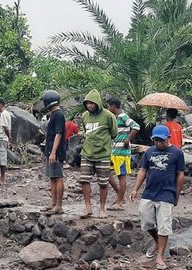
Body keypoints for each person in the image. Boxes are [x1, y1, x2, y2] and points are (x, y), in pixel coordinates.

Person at [130, 125, 185, 270]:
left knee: (164, 226)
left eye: (161, 140)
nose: (158, 143)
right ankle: (156, 242)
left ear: (168, 138)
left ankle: (160, 255)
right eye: (156, 140)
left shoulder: (177, 153)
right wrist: (135, 189)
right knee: (146, 221)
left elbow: (180, 174)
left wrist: (176, 194)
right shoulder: (149, 151)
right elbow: (143, 170)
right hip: (149, 192)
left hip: (167, 193)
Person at [79, 89, 118, 219]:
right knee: (84, 180)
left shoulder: (108, 116)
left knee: (103, 182)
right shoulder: (84, 116)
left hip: (103, 154)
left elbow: (114, 133)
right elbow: (85, 131)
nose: (89, 105)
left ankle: (102, 209)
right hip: (87, 153)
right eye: (87, 103)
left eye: (92, 103)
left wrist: (102, 142)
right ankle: (88, 207)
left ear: (98, 103)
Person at [107, 98, 140, 211]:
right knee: (107, 174)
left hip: (122, 152)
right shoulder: (115, 118)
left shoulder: (123, 116)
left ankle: (120, 202)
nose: (108, 109)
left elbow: (136, 126)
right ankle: (120, 197)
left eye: (109, 107)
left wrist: (127, 140)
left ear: (113, 107)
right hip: (115, 151)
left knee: (121, 176)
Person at [41, 90, 66, 215]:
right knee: (52, 177)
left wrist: (53, 152)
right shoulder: (53, 114)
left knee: (58, 177)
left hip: (55, 151)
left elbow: (58, 134)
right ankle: (53, 202)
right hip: (50, 150)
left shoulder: (58, 115)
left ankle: (59, 205)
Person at [0, 99, 12, 185]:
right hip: (2, 138)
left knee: (1, 158)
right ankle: (0, 178)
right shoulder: (5, 114)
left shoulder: (4, 114)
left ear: (0, 105)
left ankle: (2, 179)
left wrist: (9, 137)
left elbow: (6, 128)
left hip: (1, 138)